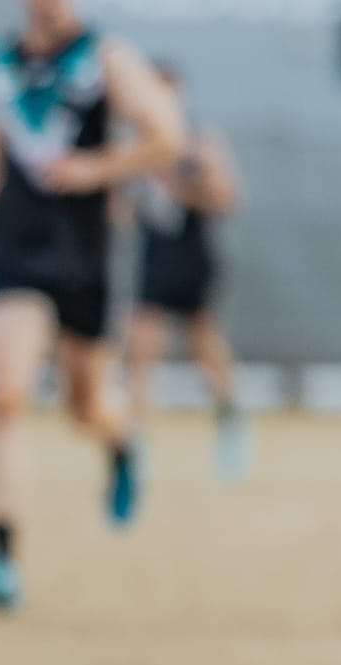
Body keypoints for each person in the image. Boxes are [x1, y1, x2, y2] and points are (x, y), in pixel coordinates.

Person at [0, 0, 183, 613]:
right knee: (5, 396)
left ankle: (121, 442)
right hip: (14, 250)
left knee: (85, 406)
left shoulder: (106, 58)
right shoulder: (4, 60)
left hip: (84, 256)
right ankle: (1, 555)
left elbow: (167, 136)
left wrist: (94, 168)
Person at [123, 62, 249, 483]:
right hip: (154, 258)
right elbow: (120, 210)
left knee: (205, 349)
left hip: (193, 257)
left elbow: (227, 199)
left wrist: (182, 182)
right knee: (139, 347)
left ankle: (231, 423)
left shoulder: (200, 140)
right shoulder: (135, 144)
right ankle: (136, 443)